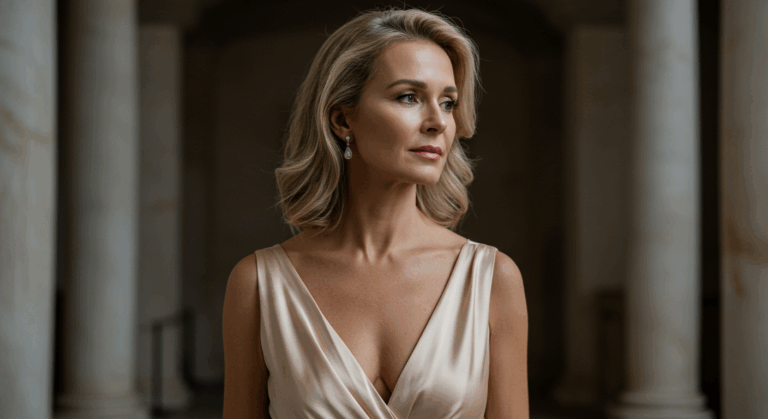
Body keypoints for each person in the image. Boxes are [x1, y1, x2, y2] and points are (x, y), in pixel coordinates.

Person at [222, 7, 528, 418]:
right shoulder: (259, 285)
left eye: (449, 102)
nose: (438, 122)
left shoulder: (493, 279)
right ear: (342, 118)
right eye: (409, 97)